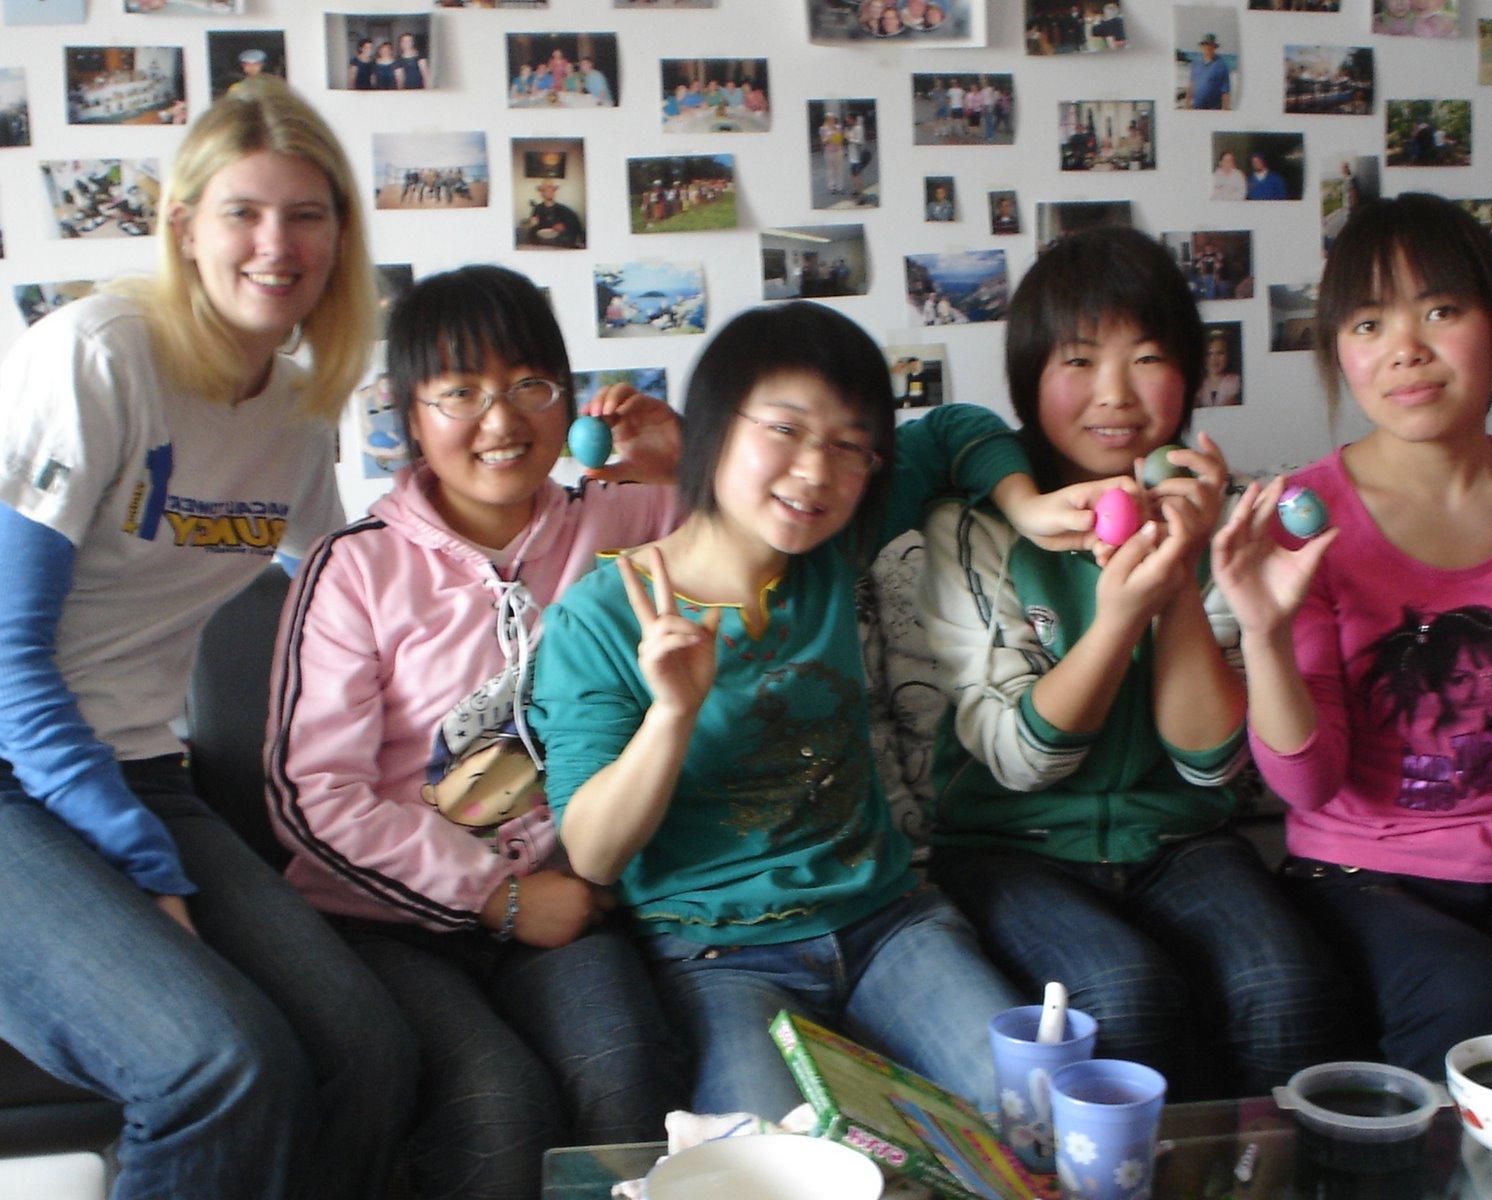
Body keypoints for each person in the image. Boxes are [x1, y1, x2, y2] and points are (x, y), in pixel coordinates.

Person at [530, 302, 1107, 1121]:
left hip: (887, 925)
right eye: (786, 430)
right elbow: (592, 852)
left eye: (848, 444)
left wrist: (1025, 507)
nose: (815, 471)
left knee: (1037, 1113)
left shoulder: (828, 552)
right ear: (712, 434)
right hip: (719, 957)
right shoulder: (603, 615)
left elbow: (953, 429)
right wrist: (672, 713)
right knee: (765, 1167)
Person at [0, 78, 415, 1200]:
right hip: (13, 775)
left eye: (307, 214)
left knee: (365, 1054)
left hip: (140, 767)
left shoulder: (291, 413)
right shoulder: (97, 357)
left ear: (340, 236)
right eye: (243, 211)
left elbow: (367, 592)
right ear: (184, 225)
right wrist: (139, 865)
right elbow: (6, 667)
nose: (275, 244)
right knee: (213, 1065)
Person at [266, 265, 687, 1198]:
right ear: (411, 417)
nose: (501, 422)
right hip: (388, 922)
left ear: (569, 401)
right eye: (461, 393)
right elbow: (314, 796)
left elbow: (765, 527)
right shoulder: (355, 569)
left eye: (530, 387)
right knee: (497, 1111)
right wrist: (495, 899)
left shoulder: (629, 520)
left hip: (569, 910)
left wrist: (676, 463)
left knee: (624, 1077)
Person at [918, 227, 1345, 1098]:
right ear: (1030, 379)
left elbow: (1209, 764)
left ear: (1189, 375)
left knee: (1289, 988)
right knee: (1120, 995)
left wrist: (1184, 575)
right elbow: (1024, 761)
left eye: (1147, 358)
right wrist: (1118, 619)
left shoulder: (1226, 523)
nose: (1114, 395)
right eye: (1078, 360)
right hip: (1013, 847)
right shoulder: (974, 528)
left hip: (1182, 841)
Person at [1211, 192, 1492, 1078]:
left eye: (1441, 310)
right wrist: (1264, 635)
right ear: (1338, 352)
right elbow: (1310, 782)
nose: (1405, 349)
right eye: (1367, 322)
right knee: (1469, 1004)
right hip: (1361, 876)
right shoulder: (1307, 517)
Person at [527, 178, 586, 248]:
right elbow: (532, 228)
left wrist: (565, 226)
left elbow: (577, 226)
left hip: (559, 244)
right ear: (541, 193)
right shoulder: (537, 209)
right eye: (544, 190)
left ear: (554, 192)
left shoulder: (564, 210)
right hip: (541, 244)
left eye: (550, 189)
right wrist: (532, 223)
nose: (548, 192)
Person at [1197, 327, 1242, 408]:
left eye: (1220, 353)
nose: (1214, 359)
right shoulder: (1198, 385)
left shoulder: (1237, 381)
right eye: (1209, 354)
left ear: (1228, 355)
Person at [1187, 33, 1231, 110]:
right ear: (1202, 46)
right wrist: (1187, 104)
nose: (1208, 47)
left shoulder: (1221, 66)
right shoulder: (1196, 63)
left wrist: (1225, 111)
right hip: (1196, 107)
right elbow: (1191, 85)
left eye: (1211, 45)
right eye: (1205, 45)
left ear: (1215, 47)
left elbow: (1225, 91)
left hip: (1213, 109)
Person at [819, 112, 846, 196]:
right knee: (830, 170)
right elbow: (823, 141)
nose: (832, 120)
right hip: (828, 152)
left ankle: (840, 187)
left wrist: (840, 137)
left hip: (838, 151)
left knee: (839, 170)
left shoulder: (838, 127)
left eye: (833, 118)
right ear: (827, 119)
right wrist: (829, 138)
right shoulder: (823, 129)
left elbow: (842, 140)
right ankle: (832, 187)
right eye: (830, 118)